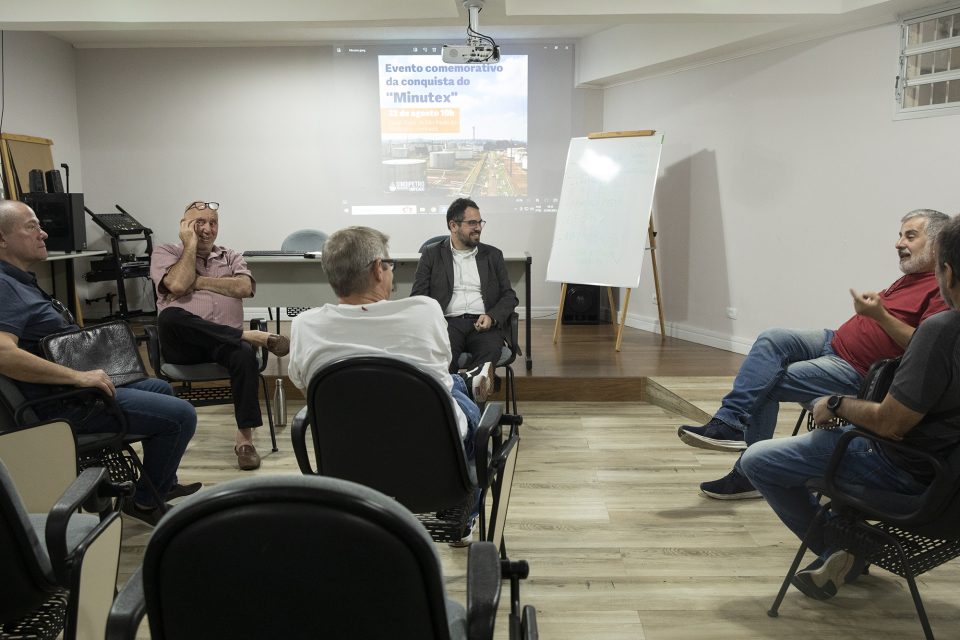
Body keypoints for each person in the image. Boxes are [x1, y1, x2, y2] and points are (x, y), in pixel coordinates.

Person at [740, 212, 960, 601]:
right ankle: (845, 544)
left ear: (947, 271)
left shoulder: (941, 333)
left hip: (911, 470)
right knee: (775, 343)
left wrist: (838, 404)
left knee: (759, 459)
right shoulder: (924, 304)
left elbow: (891, 424)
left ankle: (842, 550)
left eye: (910, 235)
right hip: (945, 478)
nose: (899, 242)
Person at [678, 209, 950, 499]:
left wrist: (879, 315)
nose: (898, 243)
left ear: (936, 244)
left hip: (854, 369)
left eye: (910, 236)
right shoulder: (911, 277)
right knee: (773, 337)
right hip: (833, 342)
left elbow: (922, 347)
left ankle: (748, 475)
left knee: (766, 385)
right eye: (899, 235)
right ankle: (731, 422)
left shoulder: (940, 289)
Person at [0, 199, 199, 526]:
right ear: (2, 238)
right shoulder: (5, 287)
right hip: (62, 406)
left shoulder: (19, 281)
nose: (44, 233)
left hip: (72, 394)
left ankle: (159, 483)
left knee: (161, 388)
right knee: (181, 416)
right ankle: (147, 502)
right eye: (31, 226)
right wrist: (79, 378)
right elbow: (3, 354)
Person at [287, 226, 492, 448]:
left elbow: (311, 395)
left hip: (350, 458)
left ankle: (466, 382)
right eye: (390, 264)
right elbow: (441, 370)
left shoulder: (303, 326)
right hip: (434, 454)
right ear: (377, 269)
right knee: (451, 390)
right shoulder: (425, 311)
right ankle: (468, 382)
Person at [150, 200, 289, 471]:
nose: (207, 229)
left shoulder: (230, 256)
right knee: (170, 316)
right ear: (184, 226)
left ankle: (245, 442)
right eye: (198, 223)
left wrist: (198, 282)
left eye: (212, 223)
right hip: (184, 347)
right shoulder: (166, 252)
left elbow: (244, 287)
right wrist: (189, 246)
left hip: (224, 346)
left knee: (243, 354)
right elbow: (177, 284)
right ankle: (248, 335)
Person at [412, 198, 518, 393]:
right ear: (453, 225)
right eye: (472, 223)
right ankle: (456, 405)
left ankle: (472, 408)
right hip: (447, 323)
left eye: (479, 222)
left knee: (487, 359)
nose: (478, 228)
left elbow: (509, 296)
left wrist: (492, 317)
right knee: (442, 361)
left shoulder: (493, 255)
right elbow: (418, 297)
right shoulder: (432, 254)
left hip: (484, 324)